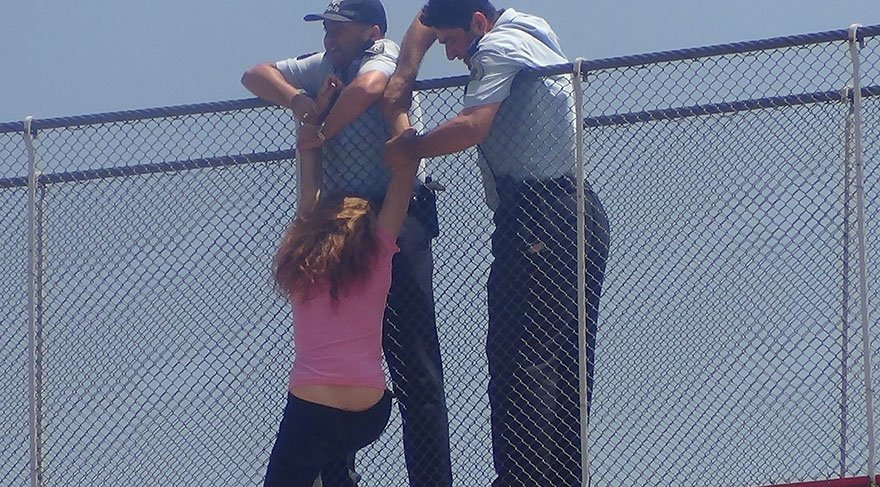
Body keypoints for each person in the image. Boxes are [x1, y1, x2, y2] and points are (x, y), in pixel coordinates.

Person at [382, 1, 611, 486]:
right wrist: (405, 72)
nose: (450, 54)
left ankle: (522, 480)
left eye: (451, 41)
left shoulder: (495, 49)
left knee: (519, 357)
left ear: (478, 24)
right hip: (579, 211)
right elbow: (426, 20)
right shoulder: (531, 28)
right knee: (569, 361)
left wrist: (410, 147)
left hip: (535, 216)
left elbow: (472, 125)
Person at [242, 1, 452, 486]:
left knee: (414, 363)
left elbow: (370, 88)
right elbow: (254, 75)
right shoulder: (322, 66)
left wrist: (320, 127)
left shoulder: (384, 54)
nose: (329, 38)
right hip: (339, 218)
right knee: (335, 366)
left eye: (340, 29)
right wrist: (299, 100)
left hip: (393, 213)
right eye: (327, 29)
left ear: (371, 31)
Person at [263, 117, 421, 486]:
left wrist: (311, 131)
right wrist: (399, 120)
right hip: (369, 409)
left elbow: (309, 188)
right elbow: (404, 180)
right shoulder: (378, 250)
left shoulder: (302, 255)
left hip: (313, 405)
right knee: (332, 459)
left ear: (319, 227)